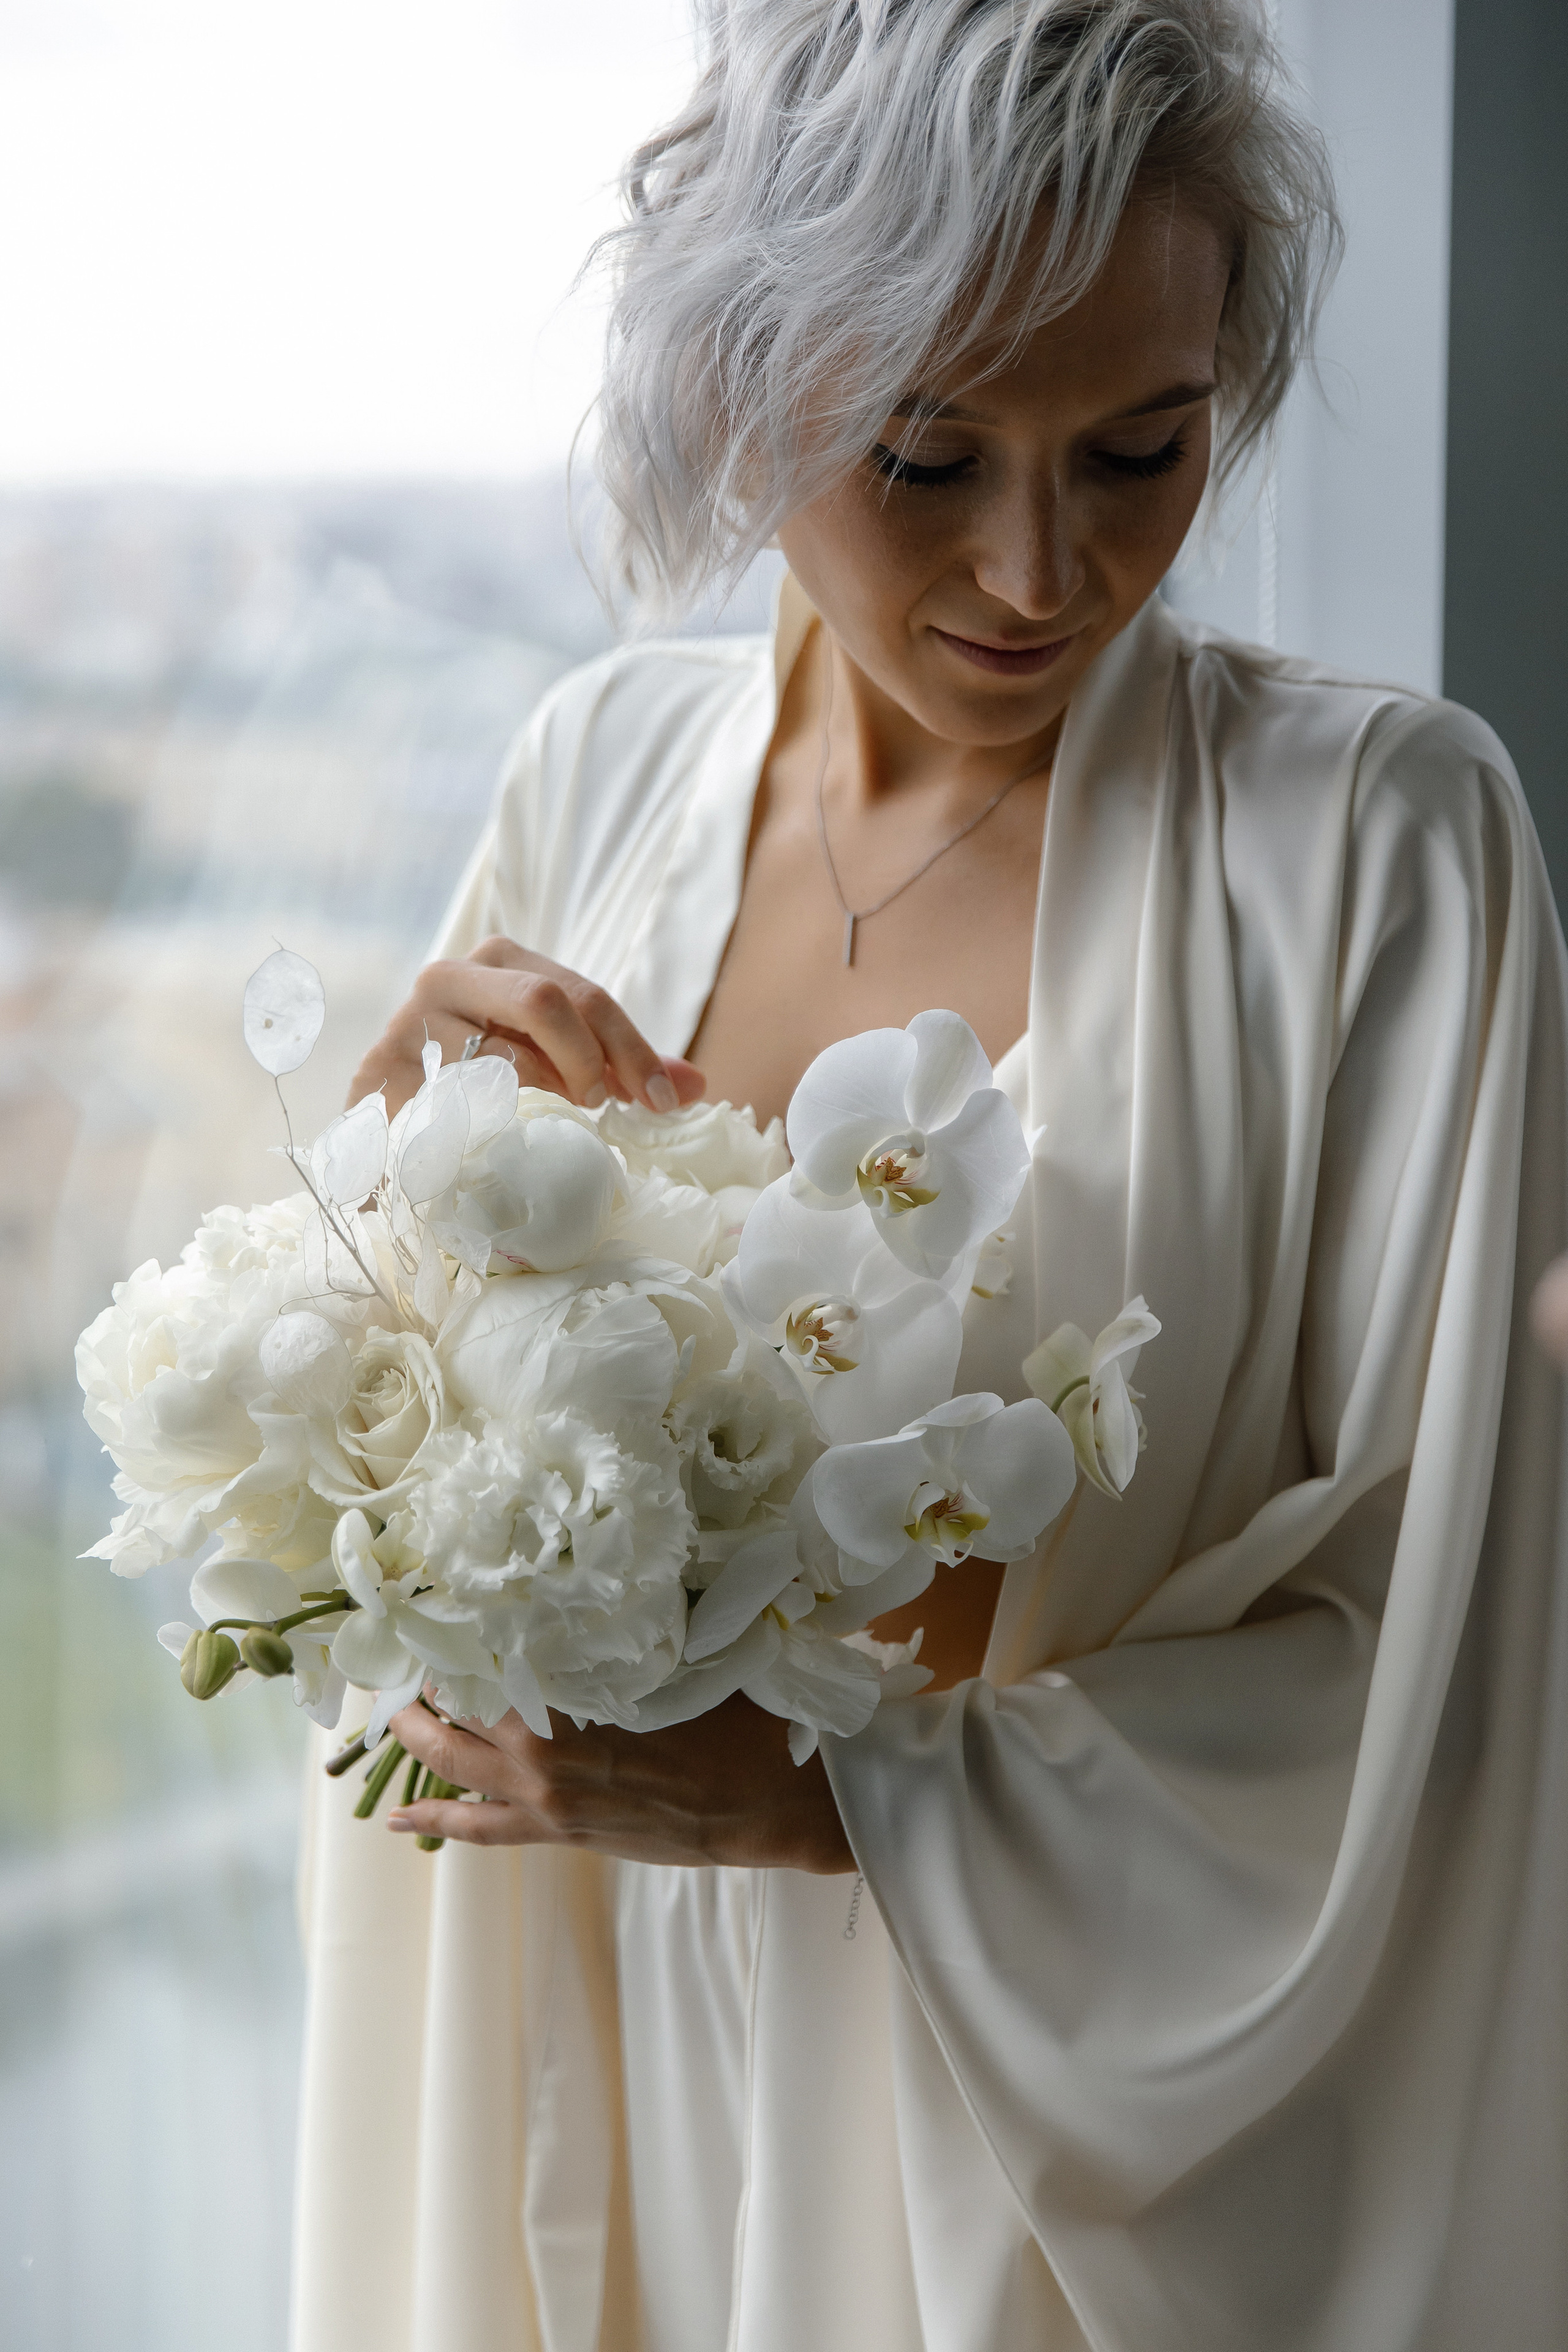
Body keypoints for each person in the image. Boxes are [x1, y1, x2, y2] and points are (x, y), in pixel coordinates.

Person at [290, 5, 1568, 2348]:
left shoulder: (1382, 847)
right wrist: (365, 1220)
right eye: (922, 455)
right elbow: (374, 1556)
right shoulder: (599, 773)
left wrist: (836, 1808)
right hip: (613, 2043)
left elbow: (1467, 1635)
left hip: (1073, 2137)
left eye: (1142, 448)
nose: (1036, 569)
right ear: (737, 387)